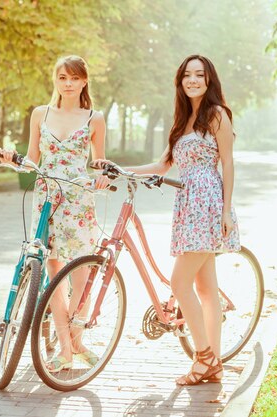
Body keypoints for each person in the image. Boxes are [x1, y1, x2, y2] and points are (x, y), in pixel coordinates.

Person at [94, 54, 240, 385]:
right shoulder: (181, 121)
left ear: (209, 80)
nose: (193, 80)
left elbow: (228, 164)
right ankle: (212, 363)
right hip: (186, 203)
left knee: (179, 283)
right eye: (187, 75)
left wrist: (227, 210)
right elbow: (162, 166)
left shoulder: (217, 114)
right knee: (205, 288)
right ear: (180, 81)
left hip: (207, 203)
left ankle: (203, 357)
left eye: (199, 75)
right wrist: (119, 169)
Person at [0, 55, 109, 372]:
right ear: (56, 80)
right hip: (46, 198)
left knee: (80, 273)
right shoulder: (40, 114)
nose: (68, 83)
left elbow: (98, 162)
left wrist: (102, 177)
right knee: (53, 276)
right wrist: (11, 160)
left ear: (84, 81)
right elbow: (33, 158)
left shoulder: (94, 118)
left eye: (74, 78)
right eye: (62, 77)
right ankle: (65, 349)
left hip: (77, 199)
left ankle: (76, 339)